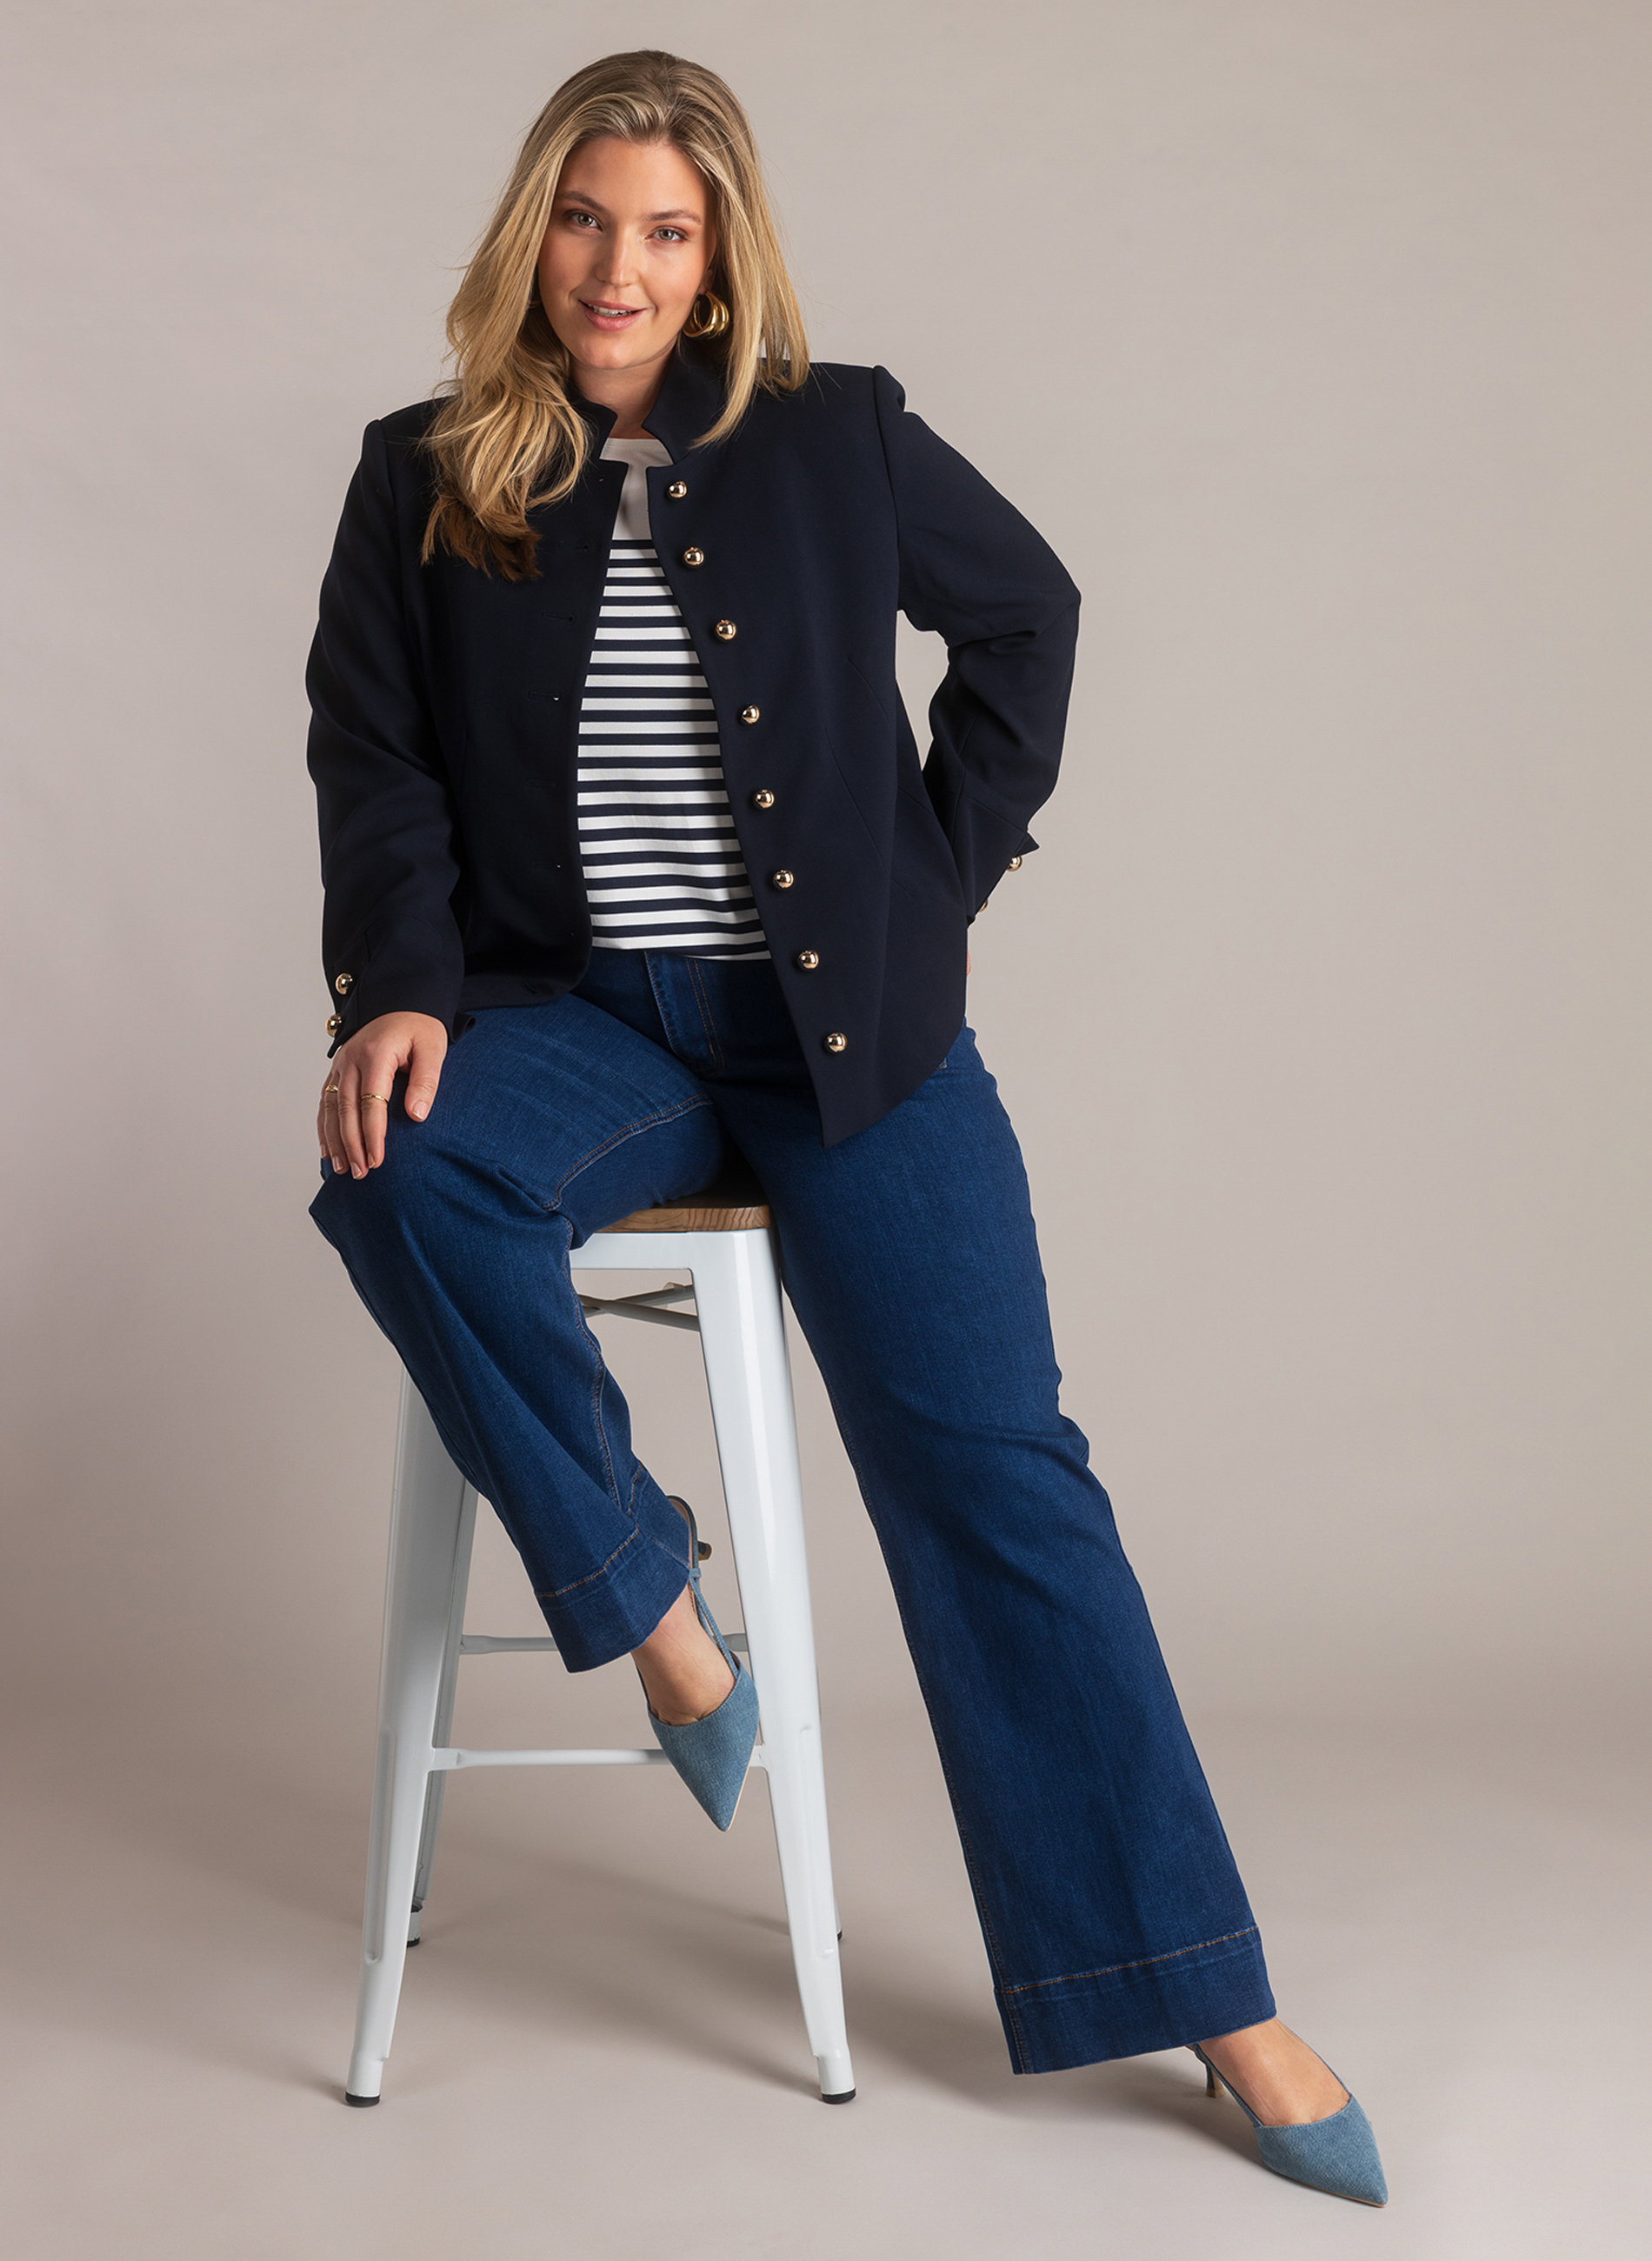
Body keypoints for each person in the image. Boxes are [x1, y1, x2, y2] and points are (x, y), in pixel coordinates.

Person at [305, 49, 1386, 2206]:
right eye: (584, 218)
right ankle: (656, 1610)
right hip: (576, 1022)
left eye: (663, 230)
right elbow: (375, 753)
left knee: (997, 1473)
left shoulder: (836, 431)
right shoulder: (420, 470)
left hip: (840, 1033)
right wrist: (399, 985)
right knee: (394, 1166)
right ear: (532, 230)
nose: (616, 266)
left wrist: (925, 886)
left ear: (718, 262)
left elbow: (1028, 616)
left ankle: (1201, 1990)